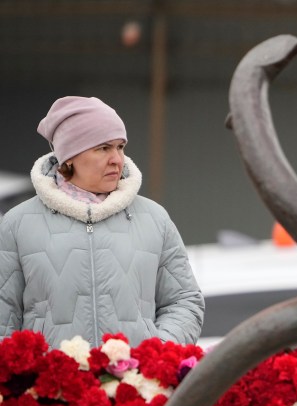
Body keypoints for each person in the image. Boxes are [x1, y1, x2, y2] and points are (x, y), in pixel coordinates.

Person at [0, 96, 205, 348]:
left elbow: (184, 301)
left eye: (120, 147)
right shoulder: (17, 224)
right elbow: (3, 318)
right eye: (103, 148)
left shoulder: (154, 218)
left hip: (136, 383)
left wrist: (157, 352)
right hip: (52, 386)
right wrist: (25, 375)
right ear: (69, 157)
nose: (117, 159)